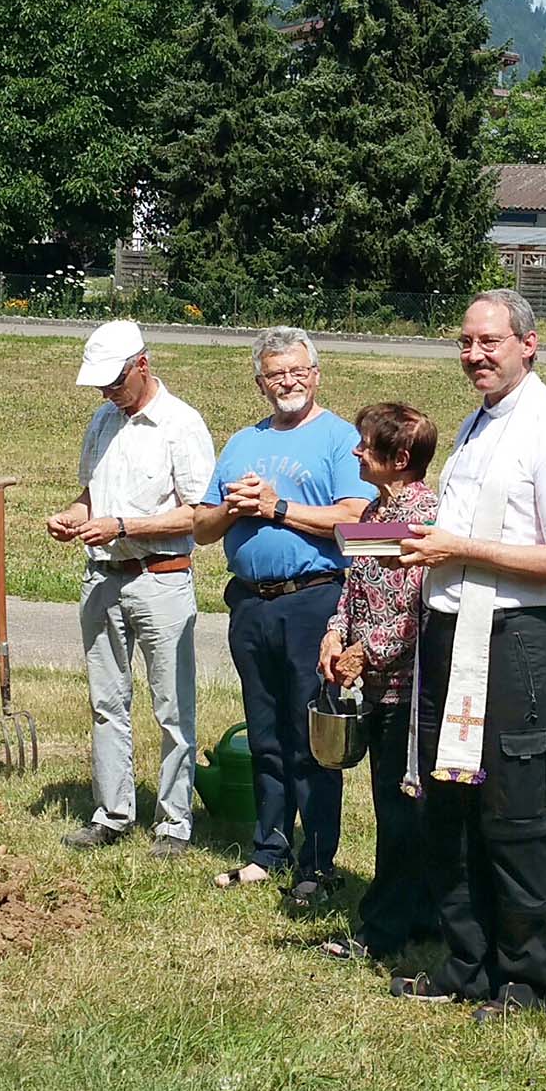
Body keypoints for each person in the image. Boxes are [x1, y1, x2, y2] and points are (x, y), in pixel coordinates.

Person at [392, 289, 546, 1021]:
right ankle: (466, 966)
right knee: (452, 807)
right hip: (452, 634)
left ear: (528, 345)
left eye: (490, 342)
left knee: (515, 815)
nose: (475, 355)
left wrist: (459, 549)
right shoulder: (476, 423)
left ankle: (526, 983)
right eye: (465, 342)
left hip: (519, 644)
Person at [195, 326, 373, 904]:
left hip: (313, 600)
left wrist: (277, 507)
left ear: (316, 375)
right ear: (260, 383)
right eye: (276, 374)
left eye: (298, 371)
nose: (288, 382)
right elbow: (200, 528)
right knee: (266, 733)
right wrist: (232, 505)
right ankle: (268, 849)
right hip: (251, 603)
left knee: (311, 737)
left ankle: (317, 862)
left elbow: (355, 519)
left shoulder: (340, 438)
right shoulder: (242, 442)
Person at [46, 319, 216, 857]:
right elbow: (90, 497)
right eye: (100, 385)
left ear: (142, 365)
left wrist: (123, 527)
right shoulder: (102, 420)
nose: (107, 393)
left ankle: (174, 824)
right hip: (103, 577)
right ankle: (112, 814)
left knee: (172, 708)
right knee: (106, 703)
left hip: (160, 578)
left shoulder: (181, 424)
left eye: (115, 382)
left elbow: (199, 515)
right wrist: (72, 517)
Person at [315, 401, 441, 963]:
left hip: (409, 691)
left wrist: (367, 653)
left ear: (401, 458)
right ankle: (420, 916)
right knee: (393, 806)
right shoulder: (373, 511)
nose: (356, 451)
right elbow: (353, 588)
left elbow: (419, 607)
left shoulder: (425, 518)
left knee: (401, 811)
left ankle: (383, 930)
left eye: (366, 444)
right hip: (372, 685)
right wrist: (334, 635)